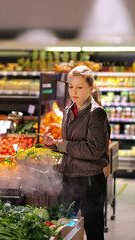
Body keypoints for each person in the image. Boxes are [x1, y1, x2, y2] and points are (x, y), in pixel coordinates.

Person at [42, 65, 110, 240]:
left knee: (94, 233)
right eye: (71, 86)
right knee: (60, 227)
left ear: (90, 88)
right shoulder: (68, 111)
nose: (74, 91)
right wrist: (53, 144)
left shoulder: (97, 114)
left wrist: (62, 144)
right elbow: (70, 145)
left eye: (80, 87)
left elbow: (93, 150)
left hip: (90, 183)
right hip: (70, 179)